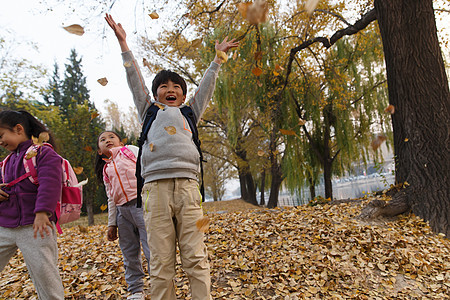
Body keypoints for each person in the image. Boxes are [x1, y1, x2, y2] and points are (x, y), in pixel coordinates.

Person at [105, 13, 239, 300]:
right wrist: (124, 44)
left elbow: (206, 88)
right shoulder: (149, 112)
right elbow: (134, 80)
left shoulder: (190, 113)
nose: (170, 90)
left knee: (195, 256)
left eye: (176, 87)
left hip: (189, 191)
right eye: (164, 86)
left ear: (182, 95)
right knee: (161, 261)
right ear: (155, 94)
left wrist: (217, 60)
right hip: (155, 191)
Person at [0, 110, 64, 299]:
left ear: (18, 129)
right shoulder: (6, 162)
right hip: (5, 225)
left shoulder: (43, 152)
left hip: (35, 227)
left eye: (1, 135)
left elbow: (50, 183)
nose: (0, 141)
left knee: (45, 276)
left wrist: (43, 212)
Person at [95, 131, 151, 300]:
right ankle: (136, 290)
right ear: (99, 151)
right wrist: (112, 224)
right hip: (122, 213)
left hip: (142, 205)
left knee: (151, 248)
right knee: (129, 252)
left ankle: (160, 284)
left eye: (111, 137)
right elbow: (111, 198)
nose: (107, 140)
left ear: (120, 141)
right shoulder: (106, 169)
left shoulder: (130, 151)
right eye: (102, 140)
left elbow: (147, 168)